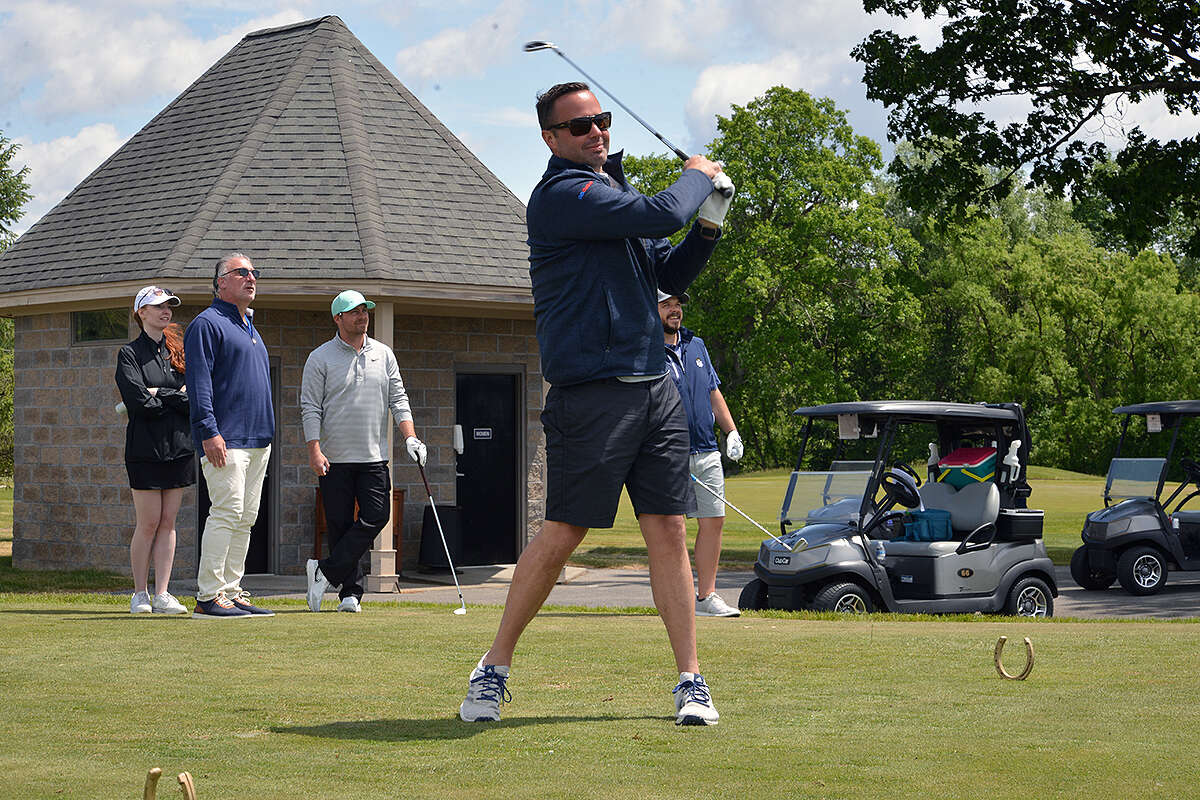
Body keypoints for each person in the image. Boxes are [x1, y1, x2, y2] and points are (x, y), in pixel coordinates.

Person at [458, 82, 734, 726]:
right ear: (551, 139)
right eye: (579, 127)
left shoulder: (614, 194)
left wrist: (712, 222)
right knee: (564, 533)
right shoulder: (561, 198)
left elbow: (667, 273)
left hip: (653, 387)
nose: (596, 133)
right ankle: (494, 667)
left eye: (601, 121)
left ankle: (690, 679)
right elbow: (667, 213)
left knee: (668, 527)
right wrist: (695, 177)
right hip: (590, 394)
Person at [300, 289, 428, 613]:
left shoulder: (384, 355)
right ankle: (350, 594)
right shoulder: (320, 357)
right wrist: (314, 450)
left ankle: (324, 570)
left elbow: (398, 400)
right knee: (341, 525)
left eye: (365, 311)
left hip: (374, 456)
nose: (363, 316)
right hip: (334, 457)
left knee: (377, 516)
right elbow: (310, 408)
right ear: (338, 318)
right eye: (355, 312)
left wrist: (410, 438)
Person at [184, 253, 275, 619]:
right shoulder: (206, 324)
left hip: (257, 440)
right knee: (227, 512)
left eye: (254, 273)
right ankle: (208, 596)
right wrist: (209, 432)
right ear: (220, 282)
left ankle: (231, 591)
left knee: (246, 517)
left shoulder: (248, 326)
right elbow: (199, 383)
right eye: (241, 273)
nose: (250, 278)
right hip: (225, 439)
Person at [658, 290, 744, 618]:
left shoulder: (697, 346)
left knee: (714, 521)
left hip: (706, 449)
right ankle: (678, 597)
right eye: (667, 305)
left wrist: (731, 431)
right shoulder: (647, 350)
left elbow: (713, 392)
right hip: (668, 453)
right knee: (673, 527)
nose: (675, 311)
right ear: (654, 311)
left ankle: (706, 596)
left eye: (677, 305)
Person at [115, 286, 194, 615]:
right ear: (141, 313)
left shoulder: (179, 352)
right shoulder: (129, 354)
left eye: (169, 306)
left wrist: (160, 392)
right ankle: (140, 594)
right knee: (148, 522)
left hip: (178, 447)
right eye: (157, 306)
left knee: (168, 522)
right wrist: (173, 395)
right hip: (145, 450)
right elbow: (138, 402)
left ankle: (162, 594)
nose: (165, 311)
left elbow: (194, 400)